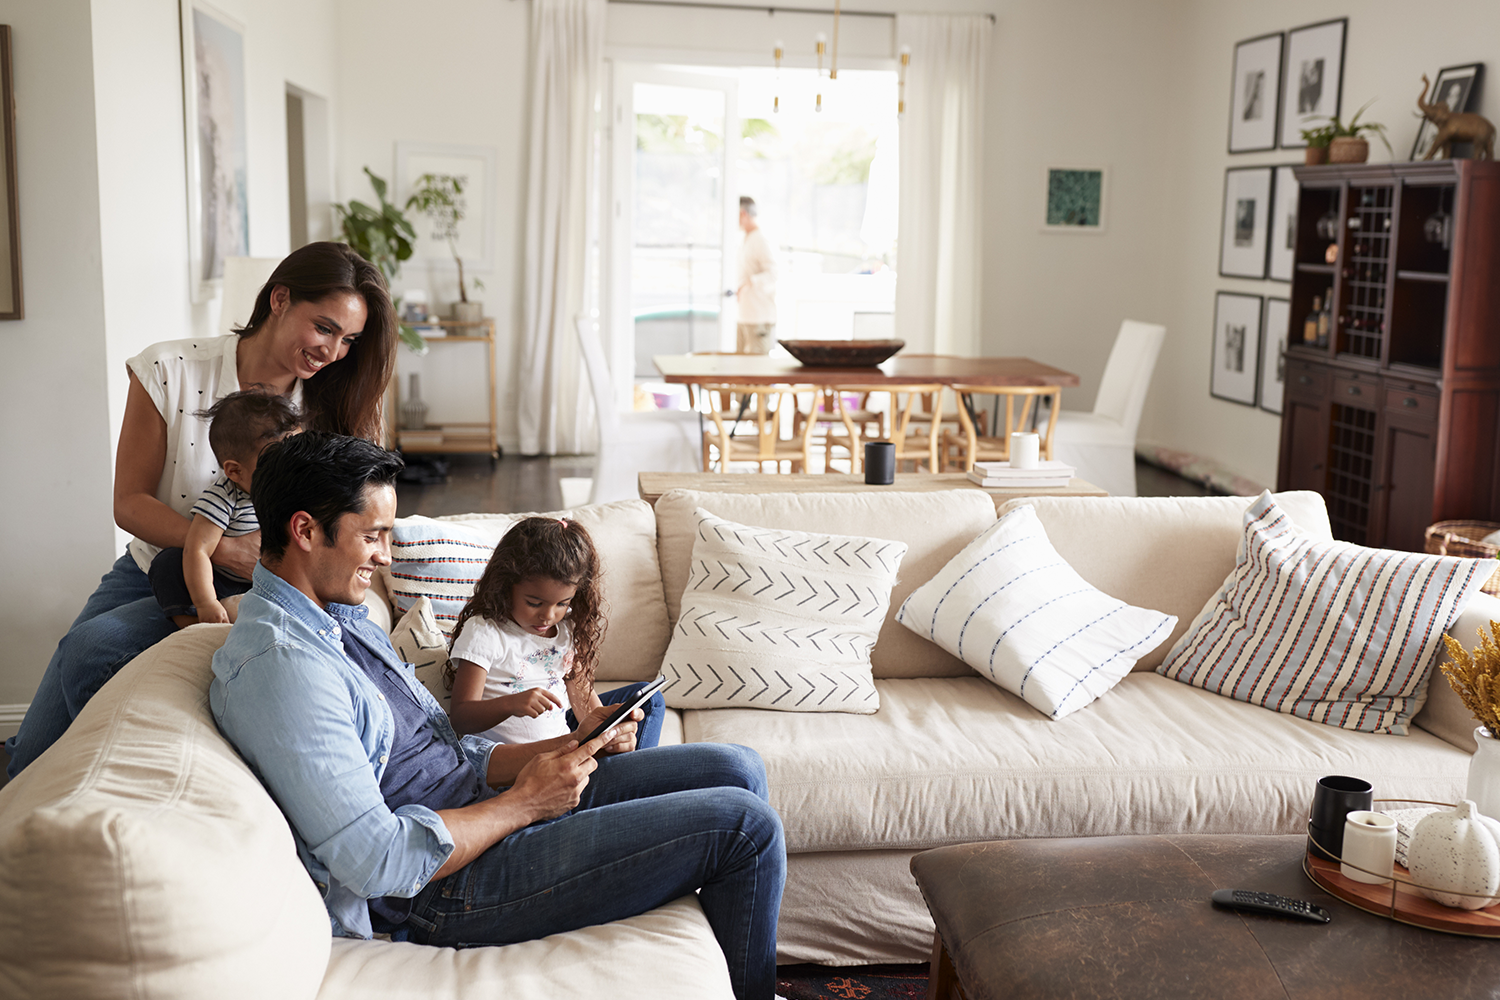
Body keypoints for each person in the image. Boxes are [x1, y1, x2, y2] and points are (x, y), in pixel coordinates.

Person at [210, 432, 785, 1000]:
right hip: (444, 885)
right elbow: (376, 860)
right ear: (306, 530)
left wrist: (566, 747)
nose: (384, 555)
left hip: (483, 805)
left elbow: (448, 751)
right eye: (374, 536)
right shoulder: (284, 669)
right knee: (745, 827)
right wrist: (524, 803)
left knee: (739, 767)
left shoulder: (340, 616)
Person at [5, 241, 395, 778]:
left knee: (93, 649)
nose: (333, 351)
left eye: (348, 339)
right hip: (154, 564)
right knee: (33, 752)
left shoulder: (330, 405)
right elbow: (130, 502)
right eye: (324, 327)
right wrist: (223, 547)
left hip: (258, 586)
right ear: (279, 299)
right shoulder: (170, 368)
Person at [444, 516, 665, 749]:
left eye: (562, 604)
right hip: (523, 763)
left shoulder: (565, 630)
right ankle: (632, 775)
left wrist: (609, 735)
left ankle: (628, 769)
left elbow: (588, 709)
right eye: (534, 603)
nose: (548, 616)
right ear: (505, 586)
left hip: (566, 745)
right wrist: (511, 704)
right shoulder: (485, 632)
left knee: (650, 702)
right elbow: (461, 718)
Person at [147, 389, 301, 629]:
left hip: (271, 582)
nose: (291, 472)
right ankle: (193, 625)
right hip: (222, 583)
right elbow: (197, 550)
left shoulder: (296, 492)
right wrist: (206, 602)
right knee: (169, 562)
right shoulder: (224, 497)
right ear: (235, 471)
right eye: (275, 464)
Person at [736, 195, 777, 354]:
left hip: (759, 317)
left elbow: (773, 273)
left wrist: (749, 282)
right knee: (739, 370)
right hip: (744, 315)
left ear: (743, 213)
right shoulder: (746, 238)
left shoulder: (761, 239)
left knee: (756, 370)